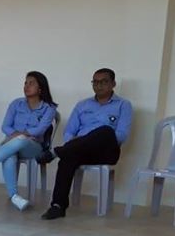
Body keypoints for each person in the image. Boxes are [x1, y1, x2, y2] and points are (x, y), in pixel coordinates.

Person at [40, 68, 132, 220]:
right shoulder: (82, 105)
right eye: (95, 82)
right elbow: (69, 132)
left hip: (106, 151)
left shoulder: (123, 105)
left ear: (113, 84)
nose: (99, 85)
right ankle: (57, 206)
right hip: (81, 150)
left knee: (105, 131)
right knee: (67, 158)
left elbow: (121, 135)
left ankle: (57, 152)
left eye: (103, 82)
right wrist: (76, 142)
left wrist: (90, 138)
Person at [0, 71, 58, 211]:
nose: (26, 86)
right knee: (9, 155)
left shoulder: (49, 108)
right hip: (13, 144)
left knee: (20, 140)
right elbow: (5, 126)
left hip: (34, 147)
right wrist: (19, 135)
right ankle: (14, 196)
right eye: (25, 83)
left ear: (40, 88)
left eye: (31, 83)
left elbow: (40, 130)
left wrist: (21, 135)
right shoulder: (16, 104)